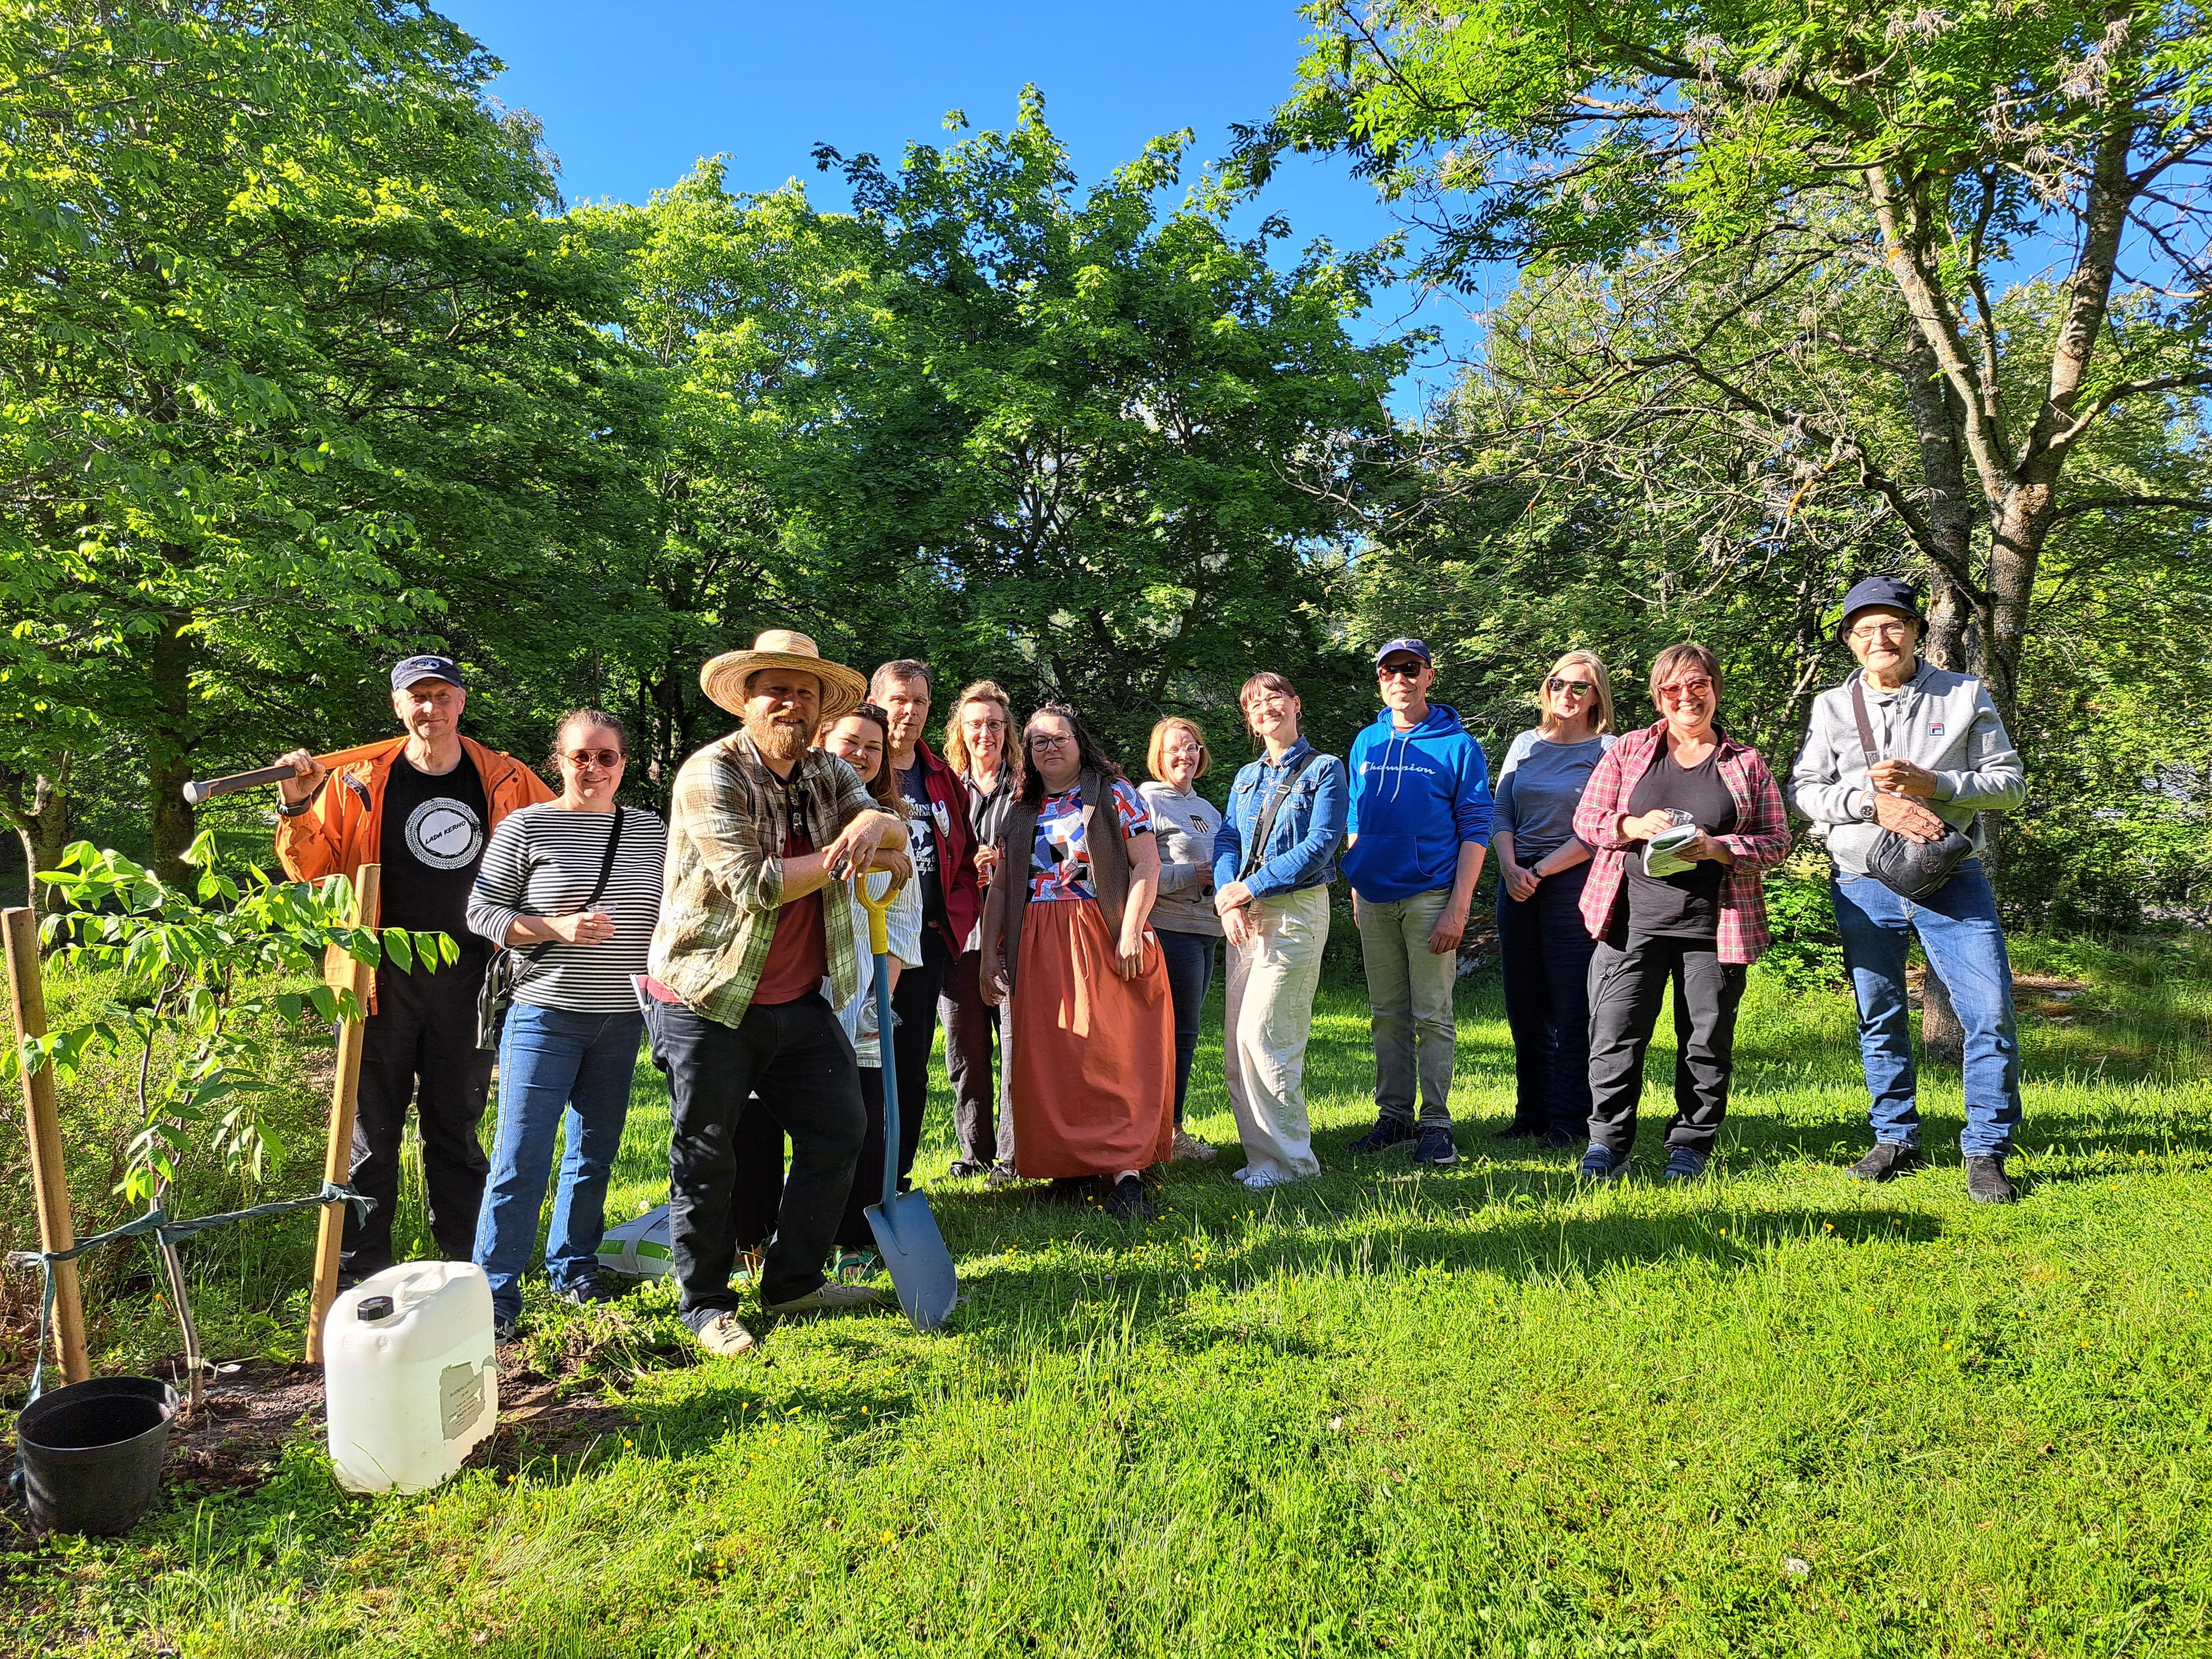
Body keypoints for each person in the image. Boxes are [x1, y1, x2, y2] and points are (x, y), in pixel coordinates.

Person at [642, 630, 908, 1358]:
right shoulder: (709, 773)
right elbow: (757, 885)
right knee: (708, 1154)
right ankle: (704, 1305)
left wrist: (876, 824)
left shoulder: (827, 771)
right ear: (748, 701)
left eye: (805, 691)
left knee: (840, 1132)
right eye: (776, 689)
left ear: (822, 707)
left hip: (797, 995)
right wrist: (854, 850)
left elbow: (895, 842)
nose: (791, 702)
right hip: (707, 995)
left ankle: (792, 1282)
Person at [272, 653, 554, 1283]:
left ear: (461, 701)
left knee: (457, 1130)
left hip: (471, 982)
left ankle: (469, 1268)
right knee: (371, 1139)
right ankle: (362, 1277)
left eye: (443, 694)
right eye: (417, 697)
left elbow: (556, 844)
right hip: (375, 982)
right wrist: (296, 806)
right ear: (399, 707)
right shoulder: (356, 781)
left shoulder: (507, 779)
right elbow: (315, 874)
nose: (432, 707)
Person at [1790, 576, 2030, 1203]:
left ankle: (1985, 1151)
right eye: (1863, 628)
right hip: (1863, 880)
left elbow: (2009, 785)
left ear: (1916, 631)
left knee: (1990, 1014)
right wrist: (1872, 805)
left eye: (1891, 624)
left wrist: (1936, 785)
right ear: (1848, 641)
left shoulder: (1962, 694)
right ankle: (1894, 1136)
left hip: (1952, 880)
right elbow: (1807, 791)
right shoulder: (1830, 707)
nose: (1879, 638)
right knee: (1879, 1014)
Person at [466, 711, 668, 1339]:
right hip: (544, 1014)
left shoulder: (650, 831)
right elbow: (480, 912)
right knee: (520, 1158)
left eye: (607, 758)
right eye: (581, 757)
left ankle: (575, 1270)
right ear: (558, 760)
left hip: (620, 1018)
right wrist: (556, 927)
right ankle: (495, 1294)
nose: (594, 769)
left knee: (593, 1156)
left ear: (624, 764)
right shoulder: (527, 825)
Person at [1570, 644, 1792, 1182]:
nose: (1686, 697)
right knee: (1614, 1035)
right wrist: (1630, 825)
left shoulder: (1745, 764)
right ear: (1658, 696)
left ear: (1715, 688)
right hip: (1629, 920)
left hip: (1714, 928)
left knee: (1706, 1040)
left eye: (1697, 685)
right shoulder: (1629, 749)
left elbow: (1777, 841)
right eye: (1673, 688)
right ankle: (1607, 1143)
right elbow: (1586, 818)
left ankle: (1690, 1146)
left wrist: (1722, 850)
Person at [726, 705, 924, 1284]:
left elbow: (905, 928)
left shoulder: (887, 825)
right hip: (781, 990)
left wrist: (876, 1002)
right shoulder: (789, 818)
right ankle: (750, 1235)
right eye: (849, 742)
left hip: (857, 993)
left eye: (872, 747)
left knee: (855, 1119)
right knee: (756, 1119)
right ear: (819, 744)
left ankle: (852, 1236)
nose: (860, 754)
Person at [979, 705, 1175, 1222]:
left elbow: (1146, 865)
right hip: (1037, 941)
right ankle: (1069, 1166)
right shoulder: (1019, 807)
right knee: (1055, 1055)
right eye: (1037, 741)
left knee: (1110, 1051)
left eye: (1058, 738)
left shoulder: (1115, 795)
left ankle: (1125, 1171)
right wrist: (988, 953)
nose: (1048, 748)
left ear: (1079, 741)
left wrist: (1131, 930)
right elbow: (1000, 887)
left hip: (1101, 930)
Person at [1341, 637, 1493, 1167]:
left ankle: (1436, 1123)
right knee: (1387, 1014)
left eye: (1410, 669)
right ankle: (1394, 1117)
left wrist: (1459, 906)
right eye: (1389, 672)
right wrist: (1358, 884)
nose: (1399, 679)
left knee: (1432, 1012)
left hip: (1432, 896)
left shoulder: (1458, 745)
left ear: (1429, 677)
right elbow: (1357, 820)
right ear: (1380, 682)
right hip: (1376, 898)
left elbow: (1477, 826)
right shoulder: (1366, 742)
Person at [1211, 674, 1347, 1188]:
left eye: (1274, 698)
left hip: (1294, 911)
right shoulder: (1246, 776)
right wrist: (1229, 895)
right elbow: (1227, 837)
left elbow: (1320, 844)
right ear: (1248, 719)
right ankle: (1260, 1159)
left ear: (1295, 703)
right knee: (1236, 1046)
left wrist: (1249, 889)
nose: (1265, 707)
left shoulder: (1326, 769)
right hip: (1243, 914)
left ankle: (1291, 1164)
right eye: (1254, 703)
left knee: (1267, 1037)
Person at [1490, 651, 1618, 1149]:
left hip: (1574, 886)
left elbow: (1600, 827)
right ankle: (1532, 1114)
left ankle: (1571, 1119)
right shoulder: (1525, 744)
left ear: (1596, 697)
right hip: (1516, 882)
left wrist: (1540, 871)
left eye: (1580, 687)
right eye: (1558, 683)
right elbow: (1499, 810)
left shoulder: (1608, 748)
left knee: (1573, 1007)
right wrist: (1509, 867)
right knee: (1525, 1006)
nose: (1567, 693)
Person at [872, 660, 983, 1190]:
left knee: (909, 1068)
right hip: (860, 941)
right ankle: (845, 1182)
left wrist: (955, 918)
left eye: (920, 701)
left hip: (924, 944)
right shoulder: (856, 763)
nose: (910, 711)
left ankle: (895, 1179)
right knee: (854, 1063)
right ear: (877, 702)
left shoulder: (940, 777)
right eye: (899, 699)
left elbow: (961, 860)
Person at [938, 681, 1019, 1179]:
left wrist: (1007, 865)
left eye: (993, 723)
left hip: (1014, 935)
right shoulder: (944, 786)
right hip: (958, 937)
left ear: (1006, 731)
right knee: (965, 1050)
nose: (984, 733)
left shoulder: (1028, 786)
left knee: (1015, 1049)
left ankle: (1012, 1157)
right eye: (975, 724)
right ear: (960, 732)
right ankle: (975, 1153)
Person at [1139, 717, 1224, 1164]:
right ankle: (1165, 1133)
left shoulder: (1208, 811)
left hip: (1208, 930)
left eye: (1192, 746)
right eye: (1175, 748)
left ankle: (1167, 1129)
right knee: (1173, 1034)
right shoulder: (1146, 801)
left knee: (1186, 1033)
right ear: (1158, 754)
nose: (1184, 755)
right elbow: (1140, 870)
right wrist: (1194, 873)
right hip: (1169, 930)